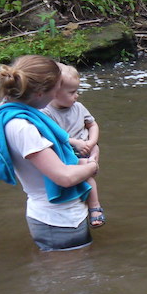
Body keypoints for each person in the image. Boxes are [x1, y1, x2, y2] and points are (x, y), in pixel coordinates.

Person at [0, 55, 99, 251]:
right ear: (41, 93)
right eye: (57, 87)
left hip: (59, 217)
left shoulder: (7, 111)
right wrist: (92, 165)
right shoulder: (23, 128)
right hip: (59, 221)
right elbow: (64, 178)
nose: (58, 93)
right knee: (67, 276)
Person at [42, 63, 105, 227]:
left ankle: (91, 166)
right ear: (54, 93)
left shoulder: (78, 107)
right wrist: (75, 142)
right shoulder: (47, 112)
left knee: (91, 161)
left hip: (87, 147)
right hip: (69, 150)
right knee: (88, 178)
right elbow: (53, 136)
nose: (76, 96)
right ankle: (94, 206)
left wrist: (91, 142)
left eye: (77, 91)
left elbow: (92, 125)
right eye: (71, 92)